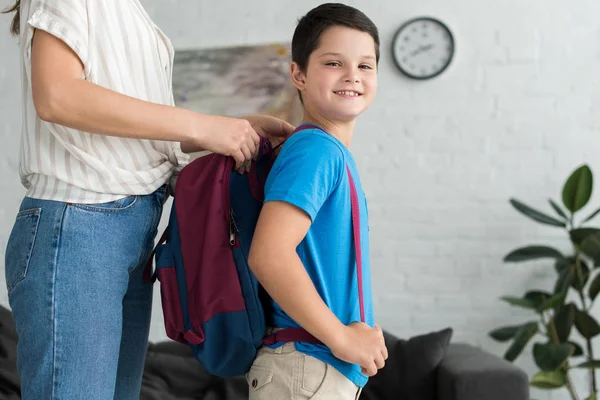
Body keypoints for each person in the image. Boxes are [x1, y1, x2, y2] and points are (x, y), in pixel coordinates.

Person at [1, 1, 293, 399]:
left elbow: (131, 138)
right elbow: (57, 96)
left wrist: (230, 130)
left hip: (129, 229)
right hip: (78, 228)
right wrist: (206, 126)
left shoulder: (131, 10)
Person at [247, 3, 387, 399]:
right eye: (333, 63)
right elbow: (269, 254)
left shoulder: (326, 153)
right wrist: (342, 338)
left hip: (312, 369)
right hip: (307, 367)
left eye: (365, 65)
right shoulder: (316, 150)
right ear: (298, 74)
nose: (352, 76)